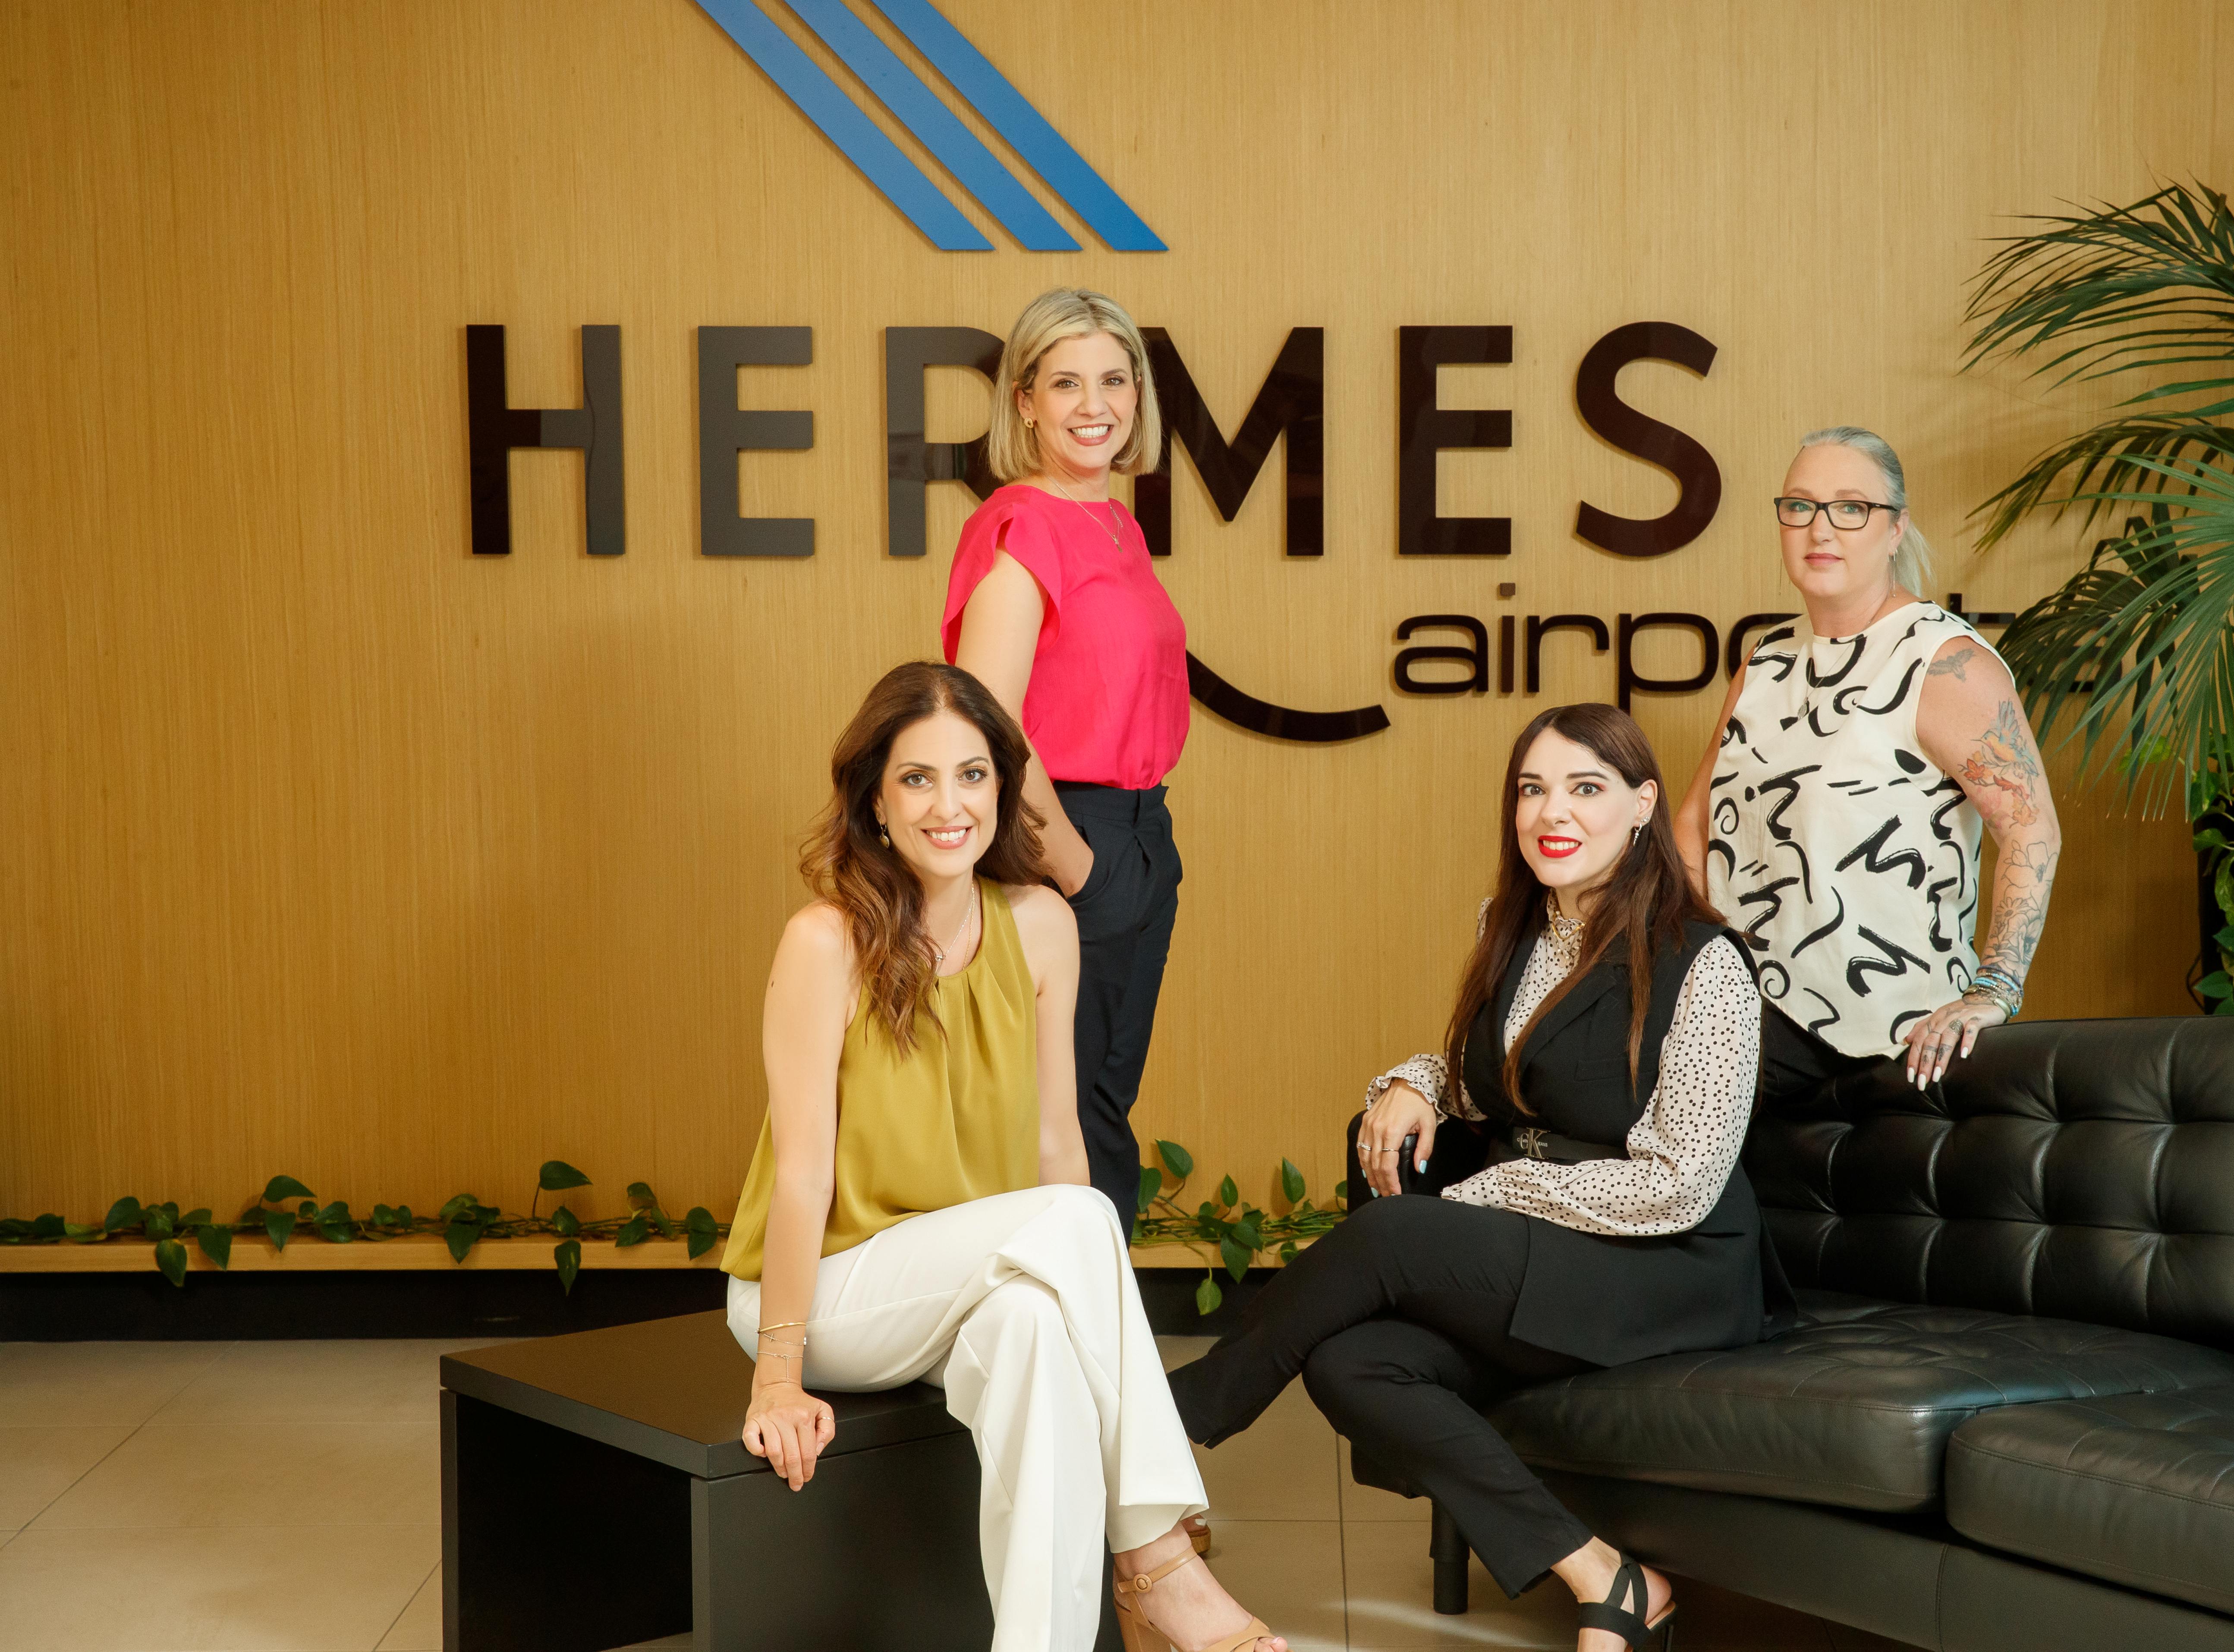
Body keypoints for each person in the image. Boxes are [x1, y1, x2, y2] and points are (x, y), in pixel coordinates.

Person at [1168, 705, 1770, 1652]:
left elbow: (1680, 1183)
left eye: (1585, 788)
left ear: (1643, 804)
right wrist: (1416, 1082)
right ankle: (1608, 1578)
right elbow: (1495, 1078)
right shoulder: (1511, 926)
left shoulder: (1705, 963)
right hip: (1554, 1248)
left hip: (1667, 1263)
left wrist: (1495, 1191)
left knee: (1394, 1233)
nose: (1551, 812)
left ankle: (1163, 1432)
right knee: (1351, 1363)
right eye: (1533, 789)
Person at [719, 661, 1282, 1652]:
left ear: (1004, 787)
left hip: (975, 1274)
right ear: (875, 800)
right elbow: (803, 1175)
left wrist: (1065, 1294)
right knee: (1076, 1221)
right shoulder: (824, 941)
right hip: (828, 1285)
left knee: (1034, 1333)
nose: (950, 805)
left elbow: (1058, 1141)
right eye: (918, 778)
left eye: (973, 775)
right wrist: (778, 1377)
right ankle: (1159, 1563)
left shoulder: (1041, 926)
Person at [1675, 426, 2062, 1102]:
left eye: (1851, 507)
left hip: (1876, 1033)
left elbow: (2032, 830)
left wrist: (1995, 989)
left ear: (1895, 528)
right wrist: (1680, 975)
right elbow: (1692, 826)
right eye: (1800, 506)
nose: (1820, 528)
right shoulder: (1766, 661)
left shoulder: (1944, 663)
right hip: (1742, 1015)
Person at [947, 286, 1188, 1240]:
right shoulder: (1023, 525)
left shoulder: (1115, 523)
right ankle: (1073, 1327)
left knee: (1100, 1112)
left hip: (1138, 832)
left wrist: (1130, 859)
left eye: (1114, 380)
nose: (1095, 405)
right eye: (1066, 383)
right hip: (1067, 839)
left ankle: (1093, 1325)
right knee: (1066, 1126)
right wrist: (1081, 869)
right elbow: (988, 725)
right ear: (1024, 402)